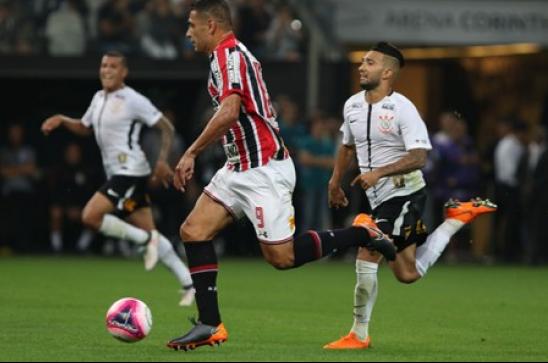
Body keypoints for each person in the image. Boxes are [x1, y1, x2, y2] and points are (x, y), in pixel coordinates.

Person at [167, 0, 395, 351]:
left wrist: (191, 151)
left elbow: (230, 111)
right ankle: (210, 323)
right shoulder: (224, 58)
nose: (187, 33)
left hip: (263, 171)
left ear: (211, 26)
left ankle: (359, 232)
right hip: (239, 167)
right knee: (193, 231)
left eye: (191, 26)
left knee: (282, 258)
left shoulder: (232, 57)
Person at [322, 42, 497, 350]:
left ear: (388, 72)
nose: (362, 67)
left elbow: (419, 157)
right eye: (362, 61)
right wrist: (335, 180)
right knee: (407, 273)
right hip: (377, 196)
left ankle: (358, 335)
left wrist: (378, 173)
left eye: (370, 62)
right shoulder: (352, 105)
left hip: (405, 193)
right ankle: (455, 221)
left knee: (367, 250)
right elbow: (347, 146)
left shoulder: (403, 108)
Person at [40, 51, 195, 306]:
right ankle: (188, 283)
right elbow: (84, 127)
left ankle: (145, 242)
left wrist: (162, 160)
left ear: (124, 72)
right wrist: (62, 120)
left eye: (113, 66)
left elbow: (165, 126)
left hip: (130, 172)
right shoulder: (99, 97)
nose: (107, 70)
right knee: (150, 230)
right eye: (103, 65)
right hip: (118, 174)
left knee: (90, 216)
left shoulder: (132, 99)